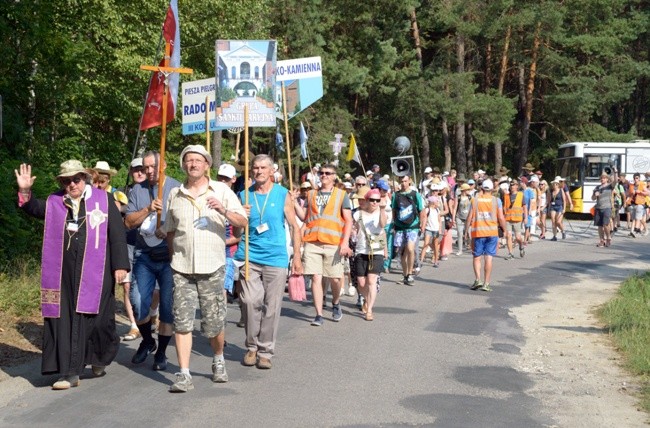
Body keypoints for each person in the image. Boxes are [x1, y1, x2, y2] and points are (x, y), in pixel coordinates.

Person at [15, 161, 129, 389]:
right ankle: (69, 373)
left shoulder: (103, 200)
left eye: (75, 179)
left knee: (98, 321)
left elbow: (117, 234)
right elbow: (31, 208)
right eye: (66, 181)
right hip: (63, 271)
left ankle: (99, 357)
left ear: (84, 178)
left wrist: (121, 265)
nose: (71, 185)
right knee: (65, 318)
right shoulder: (55, 202)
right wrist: (25, 191)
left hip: (99, 269)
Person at [158, 145, 247, 392]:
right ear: (184, 165)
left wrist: (223, 210)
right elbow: (171, 230)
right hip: (181, 267)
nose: (193, 164)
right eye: (188, 160)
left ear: (207, 165)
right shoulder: (175, 193)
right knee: (182, 322)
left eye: (198, 160)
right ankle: (184, 374)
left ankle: (218, 359)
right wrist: (172, 254)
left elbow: (243, 222)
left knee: (213, 323)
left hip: (212, 267)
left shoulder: (222, 191)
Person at [236, 154, 302, 369]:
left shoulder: (283, 194)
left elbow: (295, 226)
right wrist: (240, 216)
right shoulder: (244, 195)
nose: (259, 171)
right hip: (249, 256)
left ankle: (264, 350)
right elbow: (236, 230)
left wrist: (297, 258)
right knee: (248, 301)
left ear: (272, 170)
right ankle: (251, 345)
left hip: (276, 258)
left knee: (271, 306)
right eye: (255, 167)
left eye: (263, 167)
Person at [125, 151, 180, 371]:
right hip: (144, 256)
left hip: (169, 257)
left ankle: (162, 353)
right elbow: (128, 222)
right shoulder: (137, 190)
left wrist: (166, 230)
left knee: (167, 308)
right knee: (138, 303)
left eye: (153, 167)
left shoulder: (177, 188)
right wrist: (148, 209)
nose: (148, 171)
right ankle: (148, 341)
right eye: (145, 167)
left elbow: (185, 221)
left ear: (164, 165)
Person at [295, 163, 353, 326]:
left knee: (335, 279)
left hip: (333, 243)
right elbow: (305, 218)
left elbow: (348, 220)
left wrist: (345, 242)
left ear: (334, 176)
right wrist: (293, 203)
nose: (324, 175)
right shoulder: (311, 194)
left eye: (328, 173)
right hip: (313, 242)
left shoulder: (342, 195)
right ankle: (319, 314)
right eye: (321, 173)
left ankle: (335, 302)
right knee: (315, 277)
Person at [464, 179, 507, 292]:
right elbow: (501, 217)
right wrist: (505, 229)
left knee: (477, 257)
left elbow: (469, 217)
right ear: (492, 189)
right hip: (492, 233)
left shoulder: (475, 200)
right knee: (489, 257)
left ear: (481, 188)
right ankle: (486, 283)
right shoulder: (496, 201)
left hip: (478, 233)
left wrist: (465, 231)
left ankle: (478, 280)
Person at [352, 188, 386, 321]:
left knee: (371, 281)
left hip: (376, 251)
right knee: (361, 283)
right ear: (366, 200)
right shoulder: (358, 214)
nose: (375, 202)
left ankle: (369, 310)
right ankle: (366, 299)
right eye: (372, 200)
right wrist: (352, 233)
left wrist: (382, 209)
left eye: (377, 200)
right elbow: (353, 228)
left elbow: (382, 225)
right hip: (361, 251)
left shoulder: (380, 213)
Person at [122, 157, 147, 341]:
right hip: (128, 243)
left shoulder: (152, 191)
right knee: (127, 286)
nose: (139, 173)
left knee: (152, 289)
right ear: (130, 172)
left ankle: (150, 315)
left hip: (148, 245)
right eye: (135, 170)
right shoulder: (122, 193)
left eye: (142, 169)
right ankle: (134, 325)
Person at [391, 175, 426, 285]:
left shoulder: (415, 195)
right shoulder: (395, 195)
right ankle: (405, 274)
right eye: (401, 181)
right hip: (400, 227)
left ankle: (410, 274)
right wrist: (394, 224)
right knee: (402, 252)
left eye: (405, 181)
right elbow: (393, 210)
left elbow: (422, 211)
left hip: (413, 226)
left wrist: (422, 224)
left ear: (409, 181)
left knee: (410, 249)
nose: (403, 183)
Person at [419, 184, 443, 267]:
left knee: (436, 245)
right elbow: (423, 218)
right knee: (426, 244)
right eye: (436, 201)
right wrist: (422, 226)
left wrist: (439, 230)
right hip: (428, 229)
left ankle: (436, 261)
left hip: (435, 229)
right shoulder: (427, 209)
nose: (437, 203)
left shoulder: (437, 210)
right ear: (433, 202)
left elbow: (439, 220)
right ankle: (421, 260)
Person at [503, 179, 528, 259]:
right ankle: (510, 253)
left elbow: (524, 207)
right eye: (511, 185)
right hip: (508, 219)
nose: (512, 186)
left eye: (514, 185)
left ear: (517, 186)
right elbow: (504, 208)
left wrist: (526, 217)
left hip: (517, 219)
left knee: (518, 237)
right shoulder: (506, 196)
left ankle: (521, 245)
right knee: (508, 235)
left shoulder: (521, 195)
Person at [592, 173, 614, 247]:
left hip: (607, 207)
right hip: (598, 208)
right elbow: (592, 198)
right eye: (601, 178)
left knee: (606, 225)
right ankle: (602, 240)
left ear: (607, 179)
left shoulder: (609, 186)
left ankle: (608, 238)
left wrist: (615, 172)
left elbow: (616, 181)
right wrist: (595, 195)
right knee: (599, 226)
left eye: (604, 178)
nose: (602, 179)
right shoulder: (597, 187)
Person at [452, 183, 473, 255]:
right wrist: (453, 218)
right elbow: (455, 208)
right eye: (468, 190)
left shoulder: (470, 197)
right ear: (464, 190)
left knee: (469, 233)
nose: (469, 191)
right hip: (459, 217)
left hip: (468, 218)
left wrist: (473, 217)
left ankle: (471, 247)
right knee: (460, 233)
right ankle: (460, 250)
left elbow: (473, 208)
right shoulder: (458, 197)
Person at [626, 173, 649, 237]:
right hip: (632, 203)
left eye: (637, 178)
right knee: (634, 218)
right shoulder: (632, 185)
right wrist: (631, 193)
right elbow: (628, 194)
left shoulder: (642, 185)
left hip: (640, 203)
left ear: (639, 178)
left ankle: (636, 230)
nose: (636, 179)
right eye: (634, 178)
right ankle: (633, 231)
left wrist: (640, 192)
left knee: (637, 218)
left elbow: (648, 193)